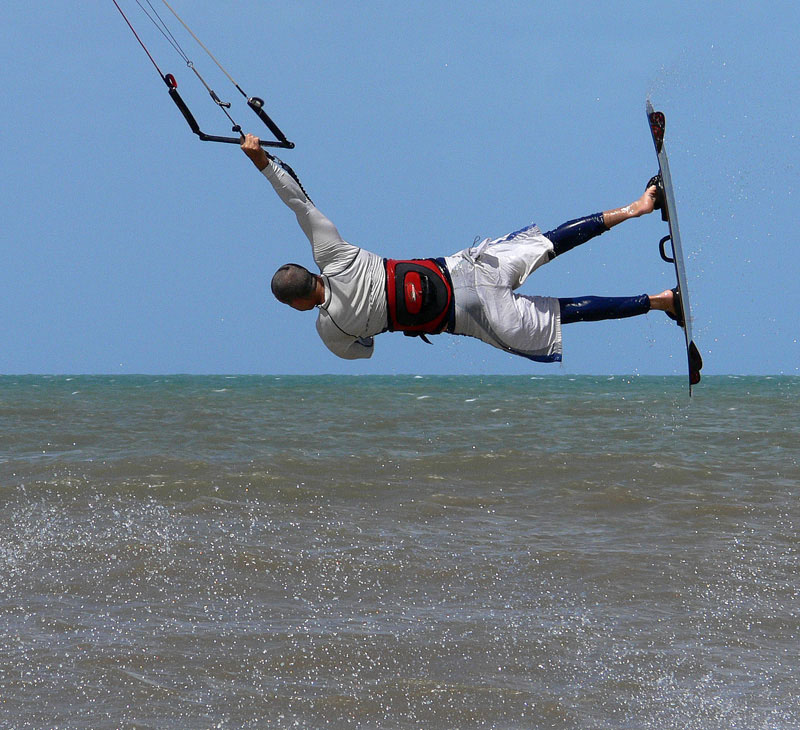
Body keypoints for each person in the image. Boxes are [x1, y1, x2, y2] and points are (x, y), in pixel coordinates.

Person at [240, 133, 679, 362]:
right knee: (553, 241)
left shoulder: (329, 330)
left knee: (564, 312)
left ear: (298, 305)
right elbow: (298, 201)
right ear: (307, 268)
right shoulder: (332, 253)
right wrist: (262, 160)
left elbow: (366, 351)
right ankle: (640, 206)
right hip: (466, 270)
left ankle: (661, 302)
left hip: (470, 318)